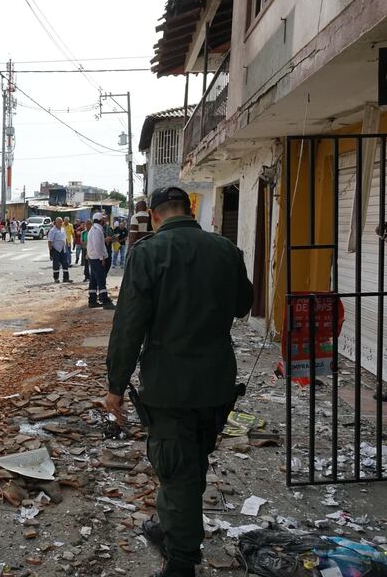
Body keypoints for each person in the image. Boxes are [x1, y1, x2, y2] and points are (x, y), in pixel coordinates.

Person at [104, 186, 253, 577]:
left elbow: (129, 325)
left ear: (153, 216)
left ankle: (181, 562)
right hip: (218, 382)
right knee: (191, 461)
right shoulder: (225, 250)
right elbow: (243, 307)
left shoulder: (148, 253)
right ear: (189, 210)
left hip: (170, 386)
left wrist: (115, 386)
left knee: (177, 470)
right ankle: (170, 528)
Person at [86, 214, 114, 309]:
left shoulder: (94, 230)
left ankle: (92, 300)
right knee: (101, 280)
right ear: (100, 220)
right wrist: (102, 258)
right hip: (97, 259)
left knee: (93, 280)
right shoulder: (97, 231)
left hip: (93, 258)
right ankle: (105, 301)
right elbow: (97, 246)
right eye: (104, 219)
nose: (105, 221)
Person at [46, 217, 71, 283]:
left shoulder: (63, 229)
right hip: (56, 250)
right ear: (56, 222)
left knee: (65, 264)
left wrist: (67, 245)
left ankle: (66, 278)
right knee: (56, 264)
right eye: (59, 222)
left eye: (61, 222)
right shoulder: (52, 231)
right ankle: (56, 278)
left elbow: (65, 238)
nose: (60, 223)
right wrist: (50, 252)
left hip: (63, 249)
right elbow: (50, 242)